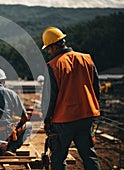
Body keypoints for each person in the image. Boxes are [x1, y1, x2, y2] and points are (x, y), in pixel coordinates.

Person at [41, 27, 101, 169]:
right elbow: (96, 89)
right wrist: (92, 108)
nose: (49, 52)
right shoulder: (86, 59)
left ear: (55, 46)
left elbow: (50, 98)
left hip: (63, 120)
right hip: (86, 117)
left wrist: (47, 120)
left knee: (58, 159)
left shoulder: (53, 66)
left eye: (49, 49)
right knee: (89, 156)